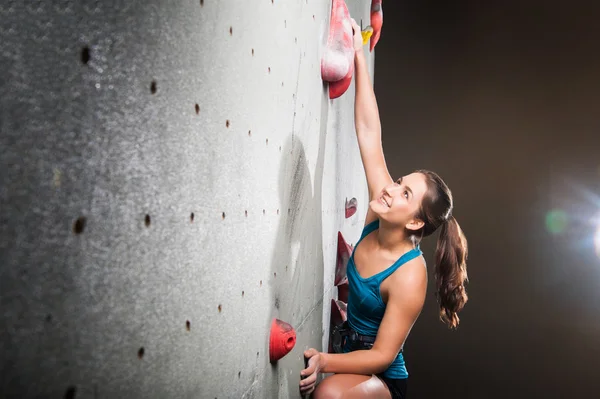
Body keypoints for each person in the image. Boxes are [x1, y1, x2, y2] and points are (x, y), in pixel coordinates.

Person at [298, 18, 469, 399]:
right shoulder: (384, 205)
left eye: (405, 193)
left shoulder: (410, 276)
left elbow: (380, 356)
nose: (392, 189)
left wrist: (325, 361)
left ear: (415, 221)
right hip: (348, 353)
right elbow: (370, 134)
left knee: (328, 395)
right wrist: (358, 54)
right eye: (400, 182)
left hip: (382, 380)